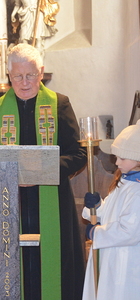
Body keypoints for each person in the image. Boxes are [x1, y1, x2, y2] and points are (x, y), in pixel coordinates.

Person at [0, 43, 87, 300]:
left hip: (52, 200)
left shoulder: (59, 104)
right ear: (9, 76)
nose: (24, 82)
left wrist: (40, 170)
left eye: (30, 75)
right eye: (18, 76)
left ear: (41, 72)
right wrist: (8, 170)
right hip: (10, 201)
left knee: (54, 264)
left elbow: (78, 154)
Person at [82, 119, 140, 300]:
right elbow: (109, 214)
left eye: (122, 158)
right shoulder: (125, 182)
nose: (117, 162)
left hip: (126, 259)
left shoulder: (137, 190)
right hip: (112, 255)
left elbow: (129, 231)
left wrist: (96, 233)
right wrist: (96, 207)